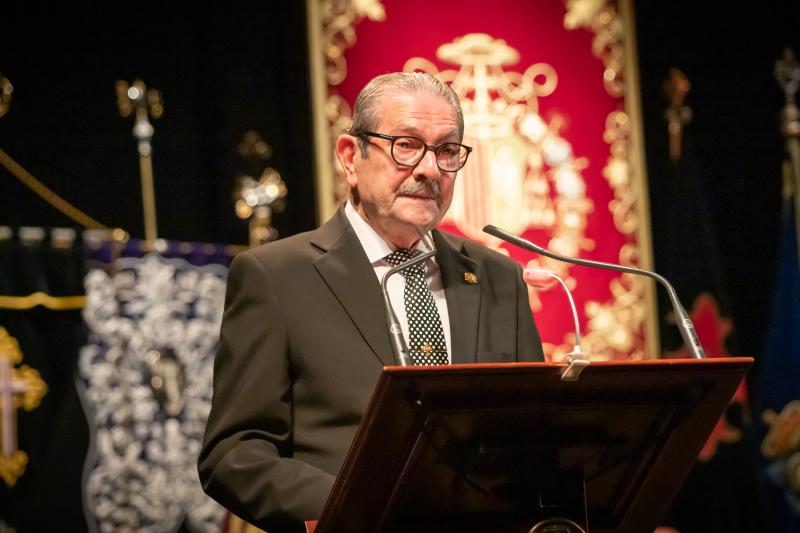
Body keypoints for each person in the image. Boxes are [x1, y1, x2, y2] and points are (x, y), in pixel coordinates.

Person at [198, 72, 544, 532]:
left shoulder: (498, 276)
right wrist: (346, 504)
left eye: (446, 151)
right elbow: (234, 452)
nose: (428, 169)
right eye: (406, 145)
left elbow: (538, 434)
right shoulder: (277, 276)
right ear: (350, 156)